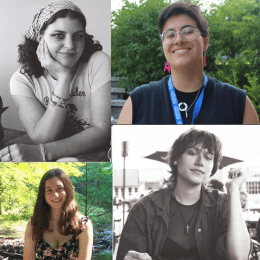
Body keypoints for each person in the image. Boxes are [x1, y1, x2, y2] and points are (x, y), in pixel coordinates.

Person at [0, 1, 111, 162]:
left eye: (78, 36)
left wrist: (43, 152)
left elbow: (101, 130)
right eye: (59, 35)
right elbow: (42, 137)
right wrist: (64, 79)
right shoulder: (21, 80)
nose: (70, 45)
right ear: (40, 39)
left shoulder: (98, 62)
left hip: (96, 157)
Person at [116, 129, 250, 260]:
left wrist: (233, 190)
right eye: (192, 153)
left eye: (208, 157)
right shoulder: (145, 208)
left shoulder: (221, 204)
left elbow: (240, 256)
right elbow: (126, 255)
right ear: (175, 159)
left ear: (212, 169)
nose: (200, 162)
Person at [118, 1, 259, 124]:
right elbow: (120, 154)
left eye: (188, 31)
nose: (179, 39)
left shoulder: (238, 103)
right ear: (163, 45)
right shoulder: (137, 102)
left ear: (205, 42)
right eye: (170, 34)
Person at [23, 168, 93, 260]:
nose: (55, 195)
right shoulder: (34, 223)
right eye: (49, 190)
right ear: (43, 194)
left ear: (68, 190)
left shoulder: (83, 225)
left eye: (59, 189)